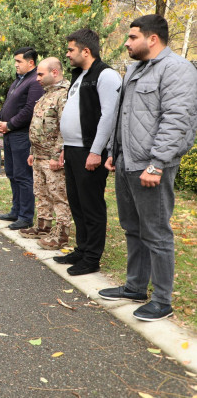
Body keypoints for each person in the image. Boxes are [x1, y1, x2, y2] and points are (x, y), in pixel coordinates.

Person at [99, 15, 197, 321]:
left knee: (156, 232)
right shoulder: (135, 69)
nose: (126, 43)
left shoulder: (177, 69)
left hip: (152, 166)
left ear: (152, 39)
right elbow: (123, 115)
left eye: (132, 37)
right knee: (132, 228)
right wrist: (114, 151)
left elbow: (177, 119)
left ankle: (162, 301)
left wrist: (156, 164)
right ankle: (135, 287)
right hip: (127, 161)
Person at [56, 28, 121, 276]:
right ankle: (82, 249)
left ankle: (92, 258)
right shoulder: (80, 75)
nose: (67, 54)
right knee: (77, 203)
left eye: (71, 49)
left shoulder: (105, 75)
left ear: (86, 50)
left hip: (90, 152)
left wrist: (96, 151)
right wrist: (65, 147)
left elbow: (109, 116)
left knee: (91, 205)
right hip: (73, 150)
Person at [22, 57, 72, 249]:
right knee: (41, 193)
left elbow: (64, 128)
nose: (37, 78)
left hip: (53, 157)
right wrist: (33, 151)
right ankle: (43, 226)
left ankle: (62, 234)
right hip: (39, 155)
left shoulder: (63, 95)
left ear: (55, 73)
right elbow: (38, 126)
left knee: (58, 195)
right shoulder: (46, 95)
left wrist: (57, 155)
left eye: (41, 74)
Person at [0, 47, 44, 230]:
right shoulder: (18, 81)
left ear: (31, 62)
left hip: (21, 136)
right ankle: (15, 211)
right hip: (10, 134)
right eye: (15, 61)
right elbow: (8, 104)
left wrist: (10, 124)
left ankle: (25, 216)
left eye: (19, 61)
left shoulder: (34, 82)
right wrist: (0, 120)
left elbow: (30, 110)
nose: (15, 64)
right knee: (12, 173)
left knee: (23, 176)